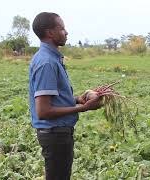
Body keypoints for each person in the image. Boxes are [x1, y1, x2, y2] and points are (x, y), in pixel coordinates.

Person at [29, 12, 102, 180]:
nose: (66, 32)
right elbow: (44, 111)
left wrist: (78, 99)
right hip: (55, 136)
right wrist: (84, 108)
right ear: (50, 33)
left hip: (58, 134)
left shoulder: (51, 59)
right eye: (61, 28)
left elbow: (54, 98)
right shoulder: (47, 62)